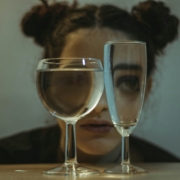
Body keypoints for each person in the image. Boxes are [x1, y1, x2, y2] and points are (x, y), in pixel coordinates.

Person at [0, 0, 179, 164]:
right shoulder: (6, 160)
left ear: (145, 92)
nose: (99, 105)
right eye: (76, 79)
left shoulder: (171, 169)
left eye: (127, 81)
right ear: (48, 87)